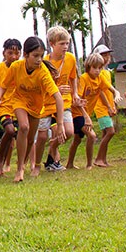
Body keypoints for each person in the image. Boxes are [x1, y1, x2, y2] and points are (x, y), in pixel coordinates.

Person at [0, 36, 65, 183]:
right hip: (19, 101)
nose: (39, 60)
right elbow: (4, 85)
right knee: (23, 127)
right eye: (35, 56)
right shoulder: (16, 67)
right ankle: (20, 170)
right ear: (26, 55)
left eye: (41, 56)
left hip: (36, 107)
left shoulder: (43, 72)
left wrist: (60, 124)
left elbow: (58, 97)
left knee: (31, 140)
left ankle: (24, 164)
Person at [36, 27, 78, 172]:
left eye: (67, 43)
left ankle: (52, 149)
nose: (65, 47)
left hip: (64, 101)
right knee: (42, 136)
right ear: (52, 44)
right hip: (46, 103)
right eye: (62, 44)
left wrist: (75, 94)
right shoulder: (44, 62)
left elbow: (73, 77)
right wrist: (56, 90)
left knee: (69, 131)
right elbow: (40, 85)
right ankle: (37, 164)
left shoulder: (71, 59)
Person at [76, 52, 117, 169]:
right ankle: (95, 161)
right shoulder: (84, 78)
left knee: (77, 139)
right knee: (102, 133)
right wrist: (86, 116)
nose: (97, 70)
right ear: (89, 66)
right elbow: (79, 98)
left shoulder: (102, 76)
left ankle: (101, 159)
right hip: (83, 113)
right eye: (95, 67)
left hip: (90, 112)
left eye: (100, 67)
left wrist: (113, 101)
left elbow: (106, 91)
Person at [0, 39, 21, 177]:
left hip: (18, 106)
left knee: (21, 133)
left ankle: (24, 164)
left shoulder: (22, 67)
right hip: (2, 106)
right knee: (10, 130)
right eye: (10, 53)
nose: (14, 57)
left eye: (17, 53)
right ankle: (0, 161)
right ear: (4, 53)